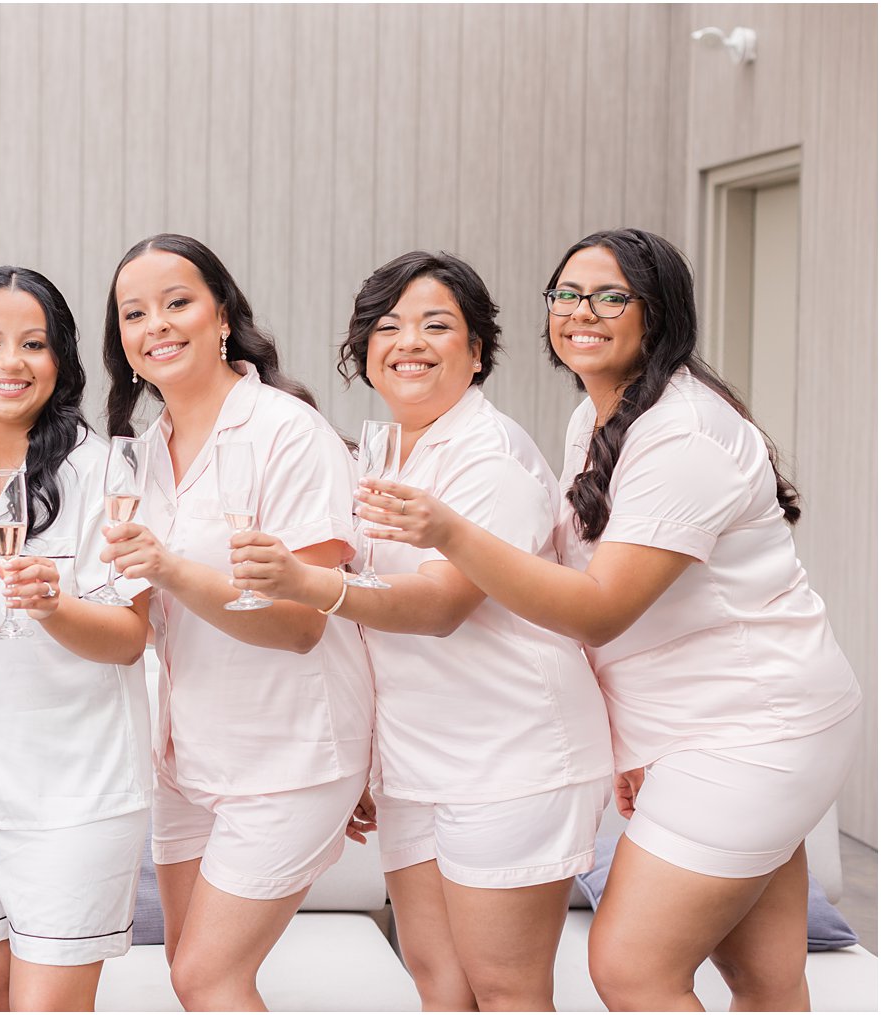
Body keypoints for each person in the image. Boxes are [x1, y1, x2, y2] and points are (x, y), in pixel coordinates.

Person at [367, 228, 862, 1011]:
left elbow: (600, 610)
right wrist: (633, 739)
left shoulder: (683, 434)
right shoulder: (596, 419)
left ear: (657, 312)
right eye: (565, 294)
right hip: (696, 724)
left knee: (631, 969)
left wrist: (450, 532)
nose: (580, 312)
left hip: (754, 729)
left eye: (609, 295)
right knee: (766, 977)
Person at [226, 250, 613, 1010]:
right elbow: (378, 623)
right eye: (389, 325)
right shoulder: (378, 449)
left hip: (512, 756)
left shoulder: (490, 456)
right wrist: (374, 756)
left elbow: (438, 606)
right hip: (418, 761)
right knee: (439, 981)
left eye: (438, 325)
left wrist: (306, 583)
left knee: (505, 988)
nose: (410, 341)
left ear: (476, 352)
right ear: (364, 348)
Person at [98, 234, 375, 1011]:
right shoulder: (142, 455)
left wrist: (170, 569)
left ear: (222, 314)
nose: (157, 324)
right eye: (135, 312)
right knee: (192, 972)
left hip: (291, 755)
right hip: (188, 756)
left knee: (207, 976)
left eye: (178, 302)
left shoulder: (289, 432)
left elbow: (299, 623)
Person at [0, 266, 152, 1012]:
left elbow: (127, 636)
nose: (10, 362)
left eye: (33, 343)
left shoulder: (105, 469)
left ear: (62, 360)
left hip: (71, 797)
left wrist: (54, 606)